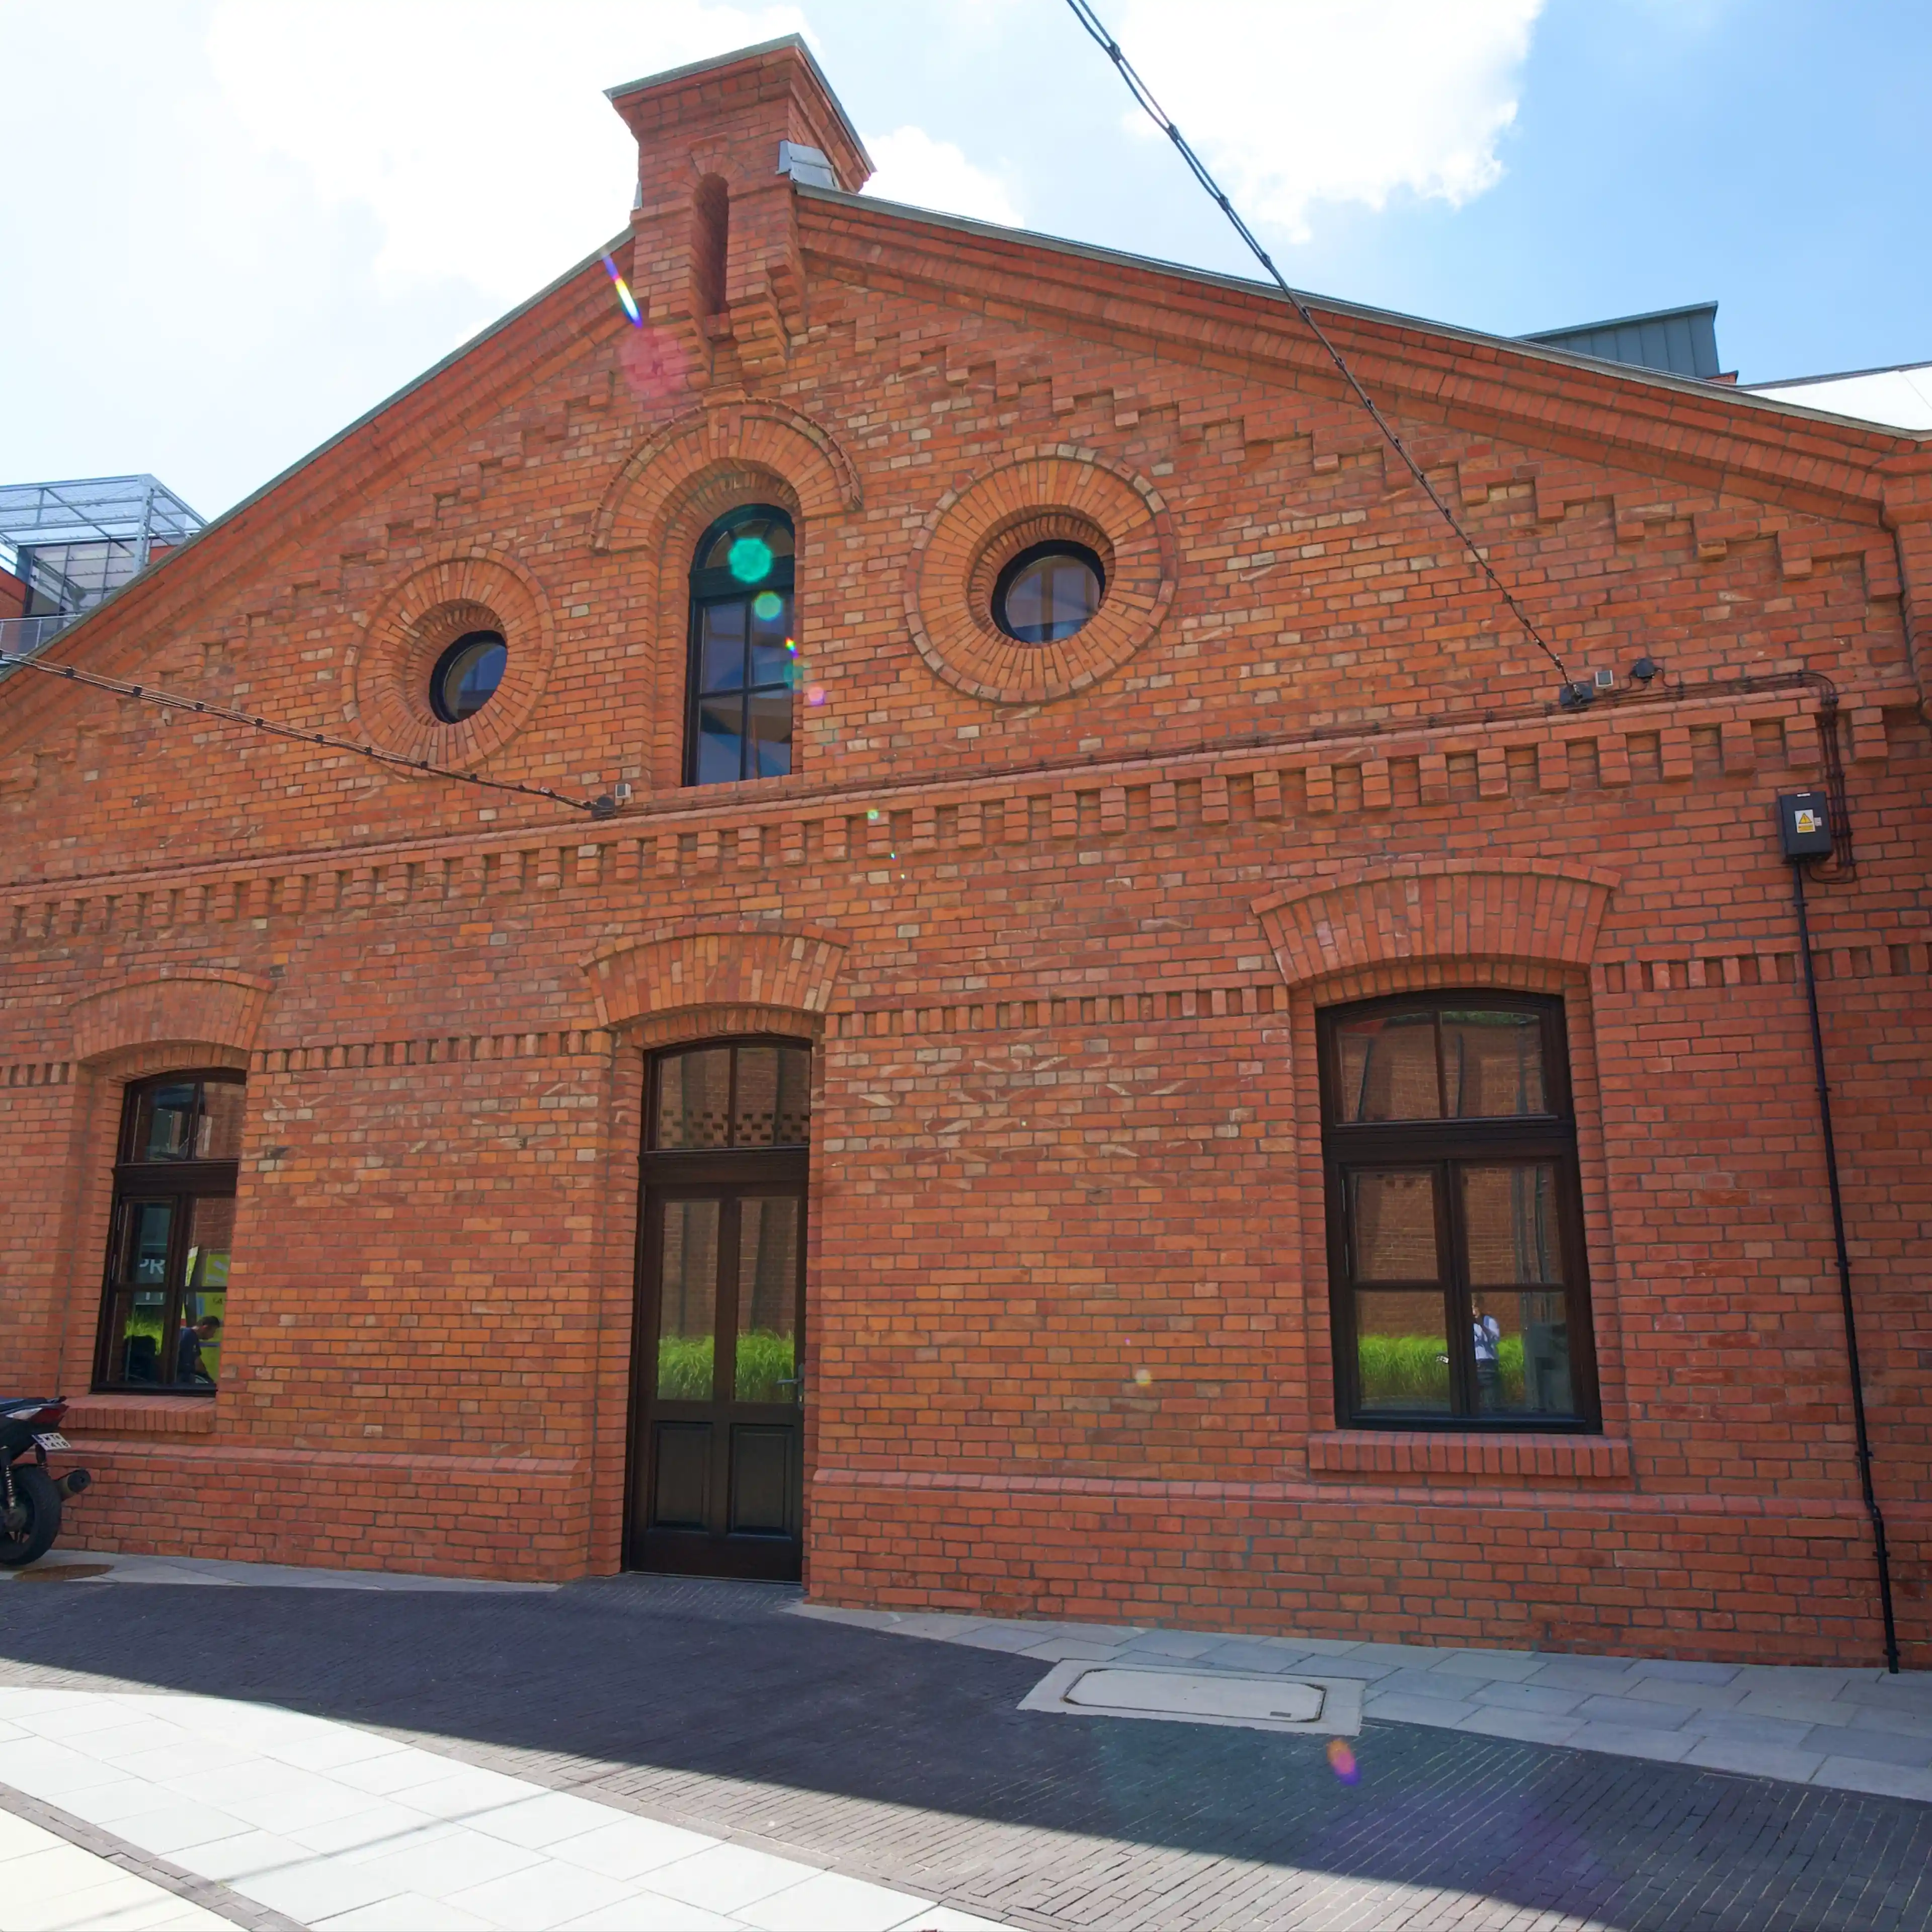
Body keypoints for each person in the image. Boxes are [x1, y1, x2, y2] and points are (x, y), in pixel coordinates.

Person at [174, 1315, 221, 1385]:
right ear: (206, 1328)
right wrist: (208, 1379)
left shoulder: (188, 1334)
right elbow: (198, 1364)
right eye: (213, 1332)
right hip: (182, 1378)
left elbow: (198, 1359)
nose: (213, 1336)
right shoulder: (190, 1336)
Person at [1473, 1307, 1502, 1407]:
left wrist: (1481, 1324)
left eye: (1475, 1306)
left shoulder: (1489, 1321)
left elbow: (1495, 1340)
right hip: (1470, 1366)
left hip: (1487, 1365)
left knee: (1492, 1404)